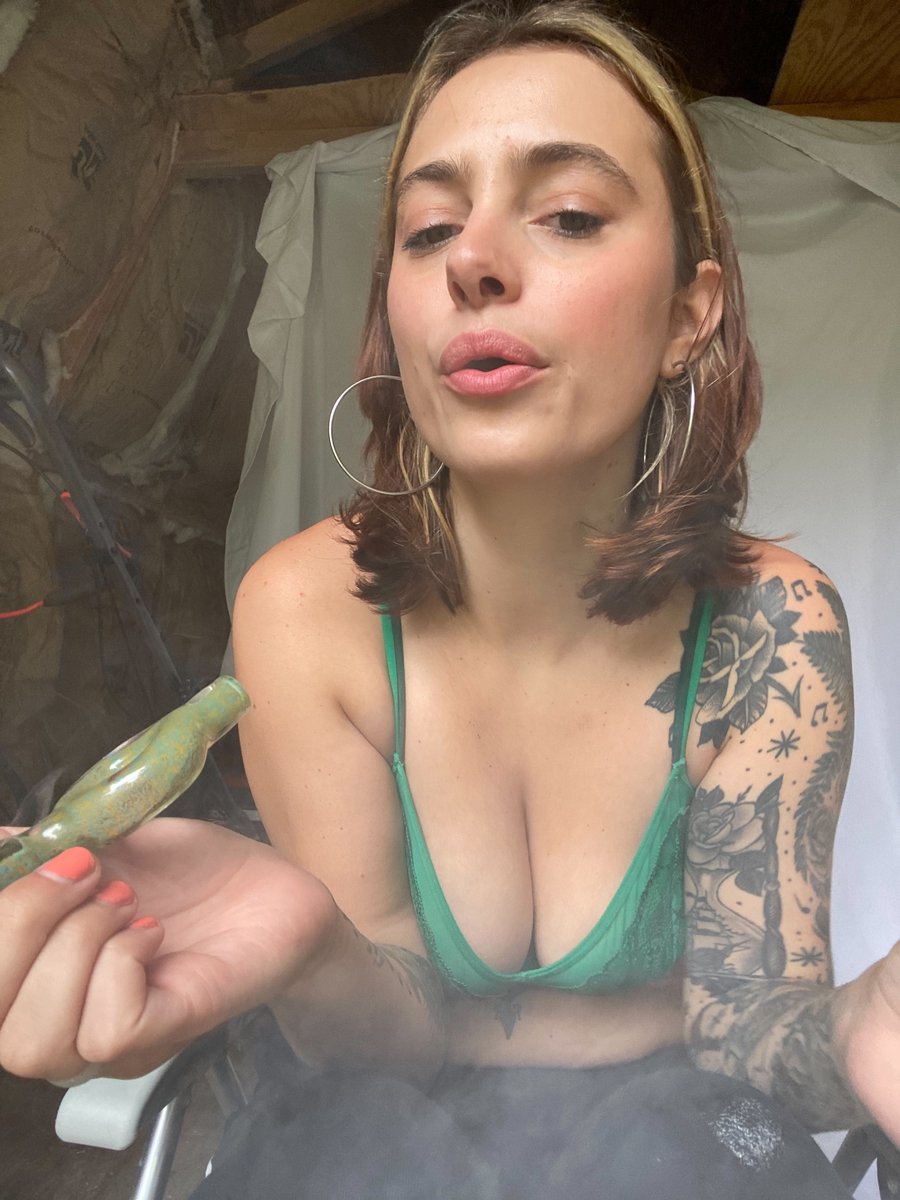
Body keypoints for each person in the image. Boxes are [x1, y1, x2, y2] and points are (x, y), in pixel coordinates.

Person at [1, 2, 898, 1196]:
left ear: (690, 316)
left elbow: (749, 1032)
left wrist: (861, 1022)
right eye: (429, 231)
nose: (472, 262)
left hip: (679, 1126)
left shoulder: (776, 628)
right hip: (386, 1113)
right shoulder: (301, 615)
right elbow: (387, 1045)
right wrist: (311, 944)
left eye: (568, 214)